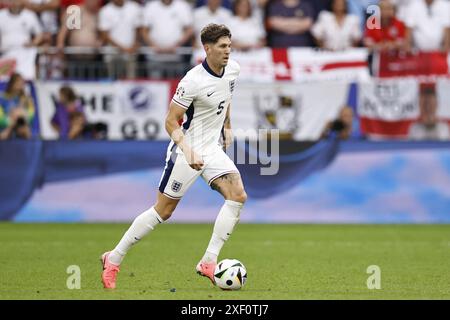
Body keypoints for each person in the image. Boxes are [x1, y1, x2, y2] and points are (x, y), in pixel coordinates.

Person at [100, 24, 247, 289]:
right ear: (208, 48)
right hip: (185, 150)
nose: (228, 51)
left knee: (237, 195)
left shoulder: (233, 69)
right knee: (163, 211)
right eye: (223, 46)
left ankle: (209, 261)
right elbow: (170, 122)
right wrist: (188, 150)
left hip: (211, 149)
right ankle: (114, 257)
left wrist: (227, 126)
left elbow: (227, 97)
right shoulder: (192, 81)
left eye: (229, 45)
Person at [0, 73, 35, 140]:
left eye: (22, 82)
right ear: (12, 83)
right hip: (6, 129)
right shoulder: (2, 98)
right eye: (18, 82)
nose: (20, 85)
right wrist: (11, 121)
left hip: (22, 127)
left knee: (25, 127)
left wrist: (21, 114)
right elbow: (1, 119)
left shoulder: (27, 99)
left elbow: (31, 116)